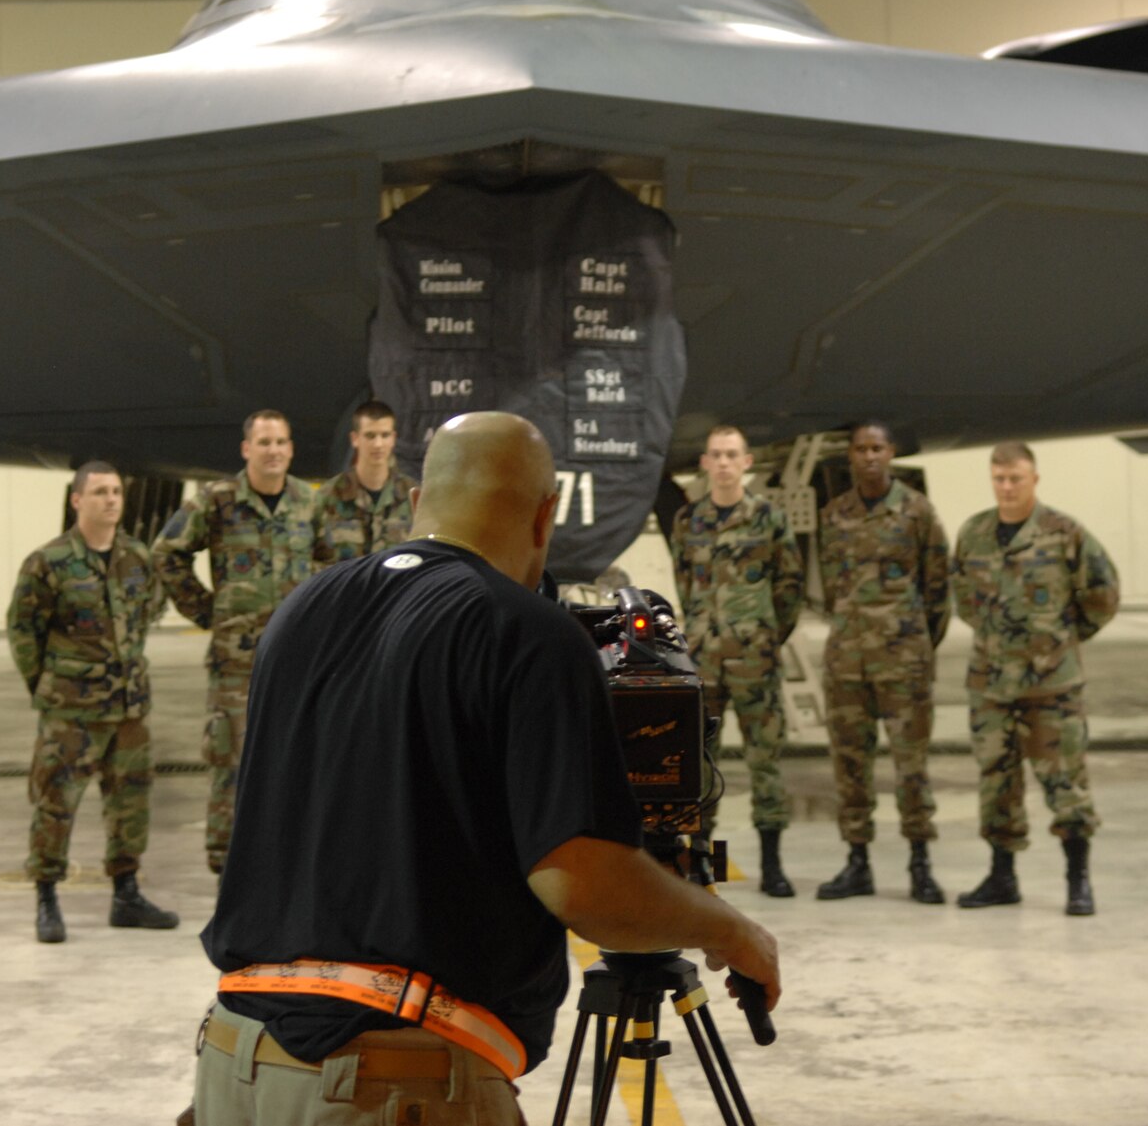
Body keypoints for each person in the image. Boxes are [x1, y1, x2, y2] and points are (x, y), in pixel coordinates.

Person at [194, 412, 781, 1126]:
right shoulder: (527, 632)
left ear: (416, 502)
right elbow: (586, 887)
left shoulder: (300, 611)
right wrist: (728, 927)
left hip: (235, 1063)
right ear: (545, 517)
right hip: (388, 1080)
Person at [153, 410, 332, 875]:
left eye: (281, 442)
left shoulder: (307, 503)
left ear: (291, 449)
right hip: (236, 663)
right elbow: (166, 555)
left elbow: (331, 565)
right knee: (231, 768)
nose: (274, 450)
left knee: (295, 766)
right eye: (264, 442)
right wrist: (206, 611)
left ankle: (288, 872)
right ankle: (227, 873)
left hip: (295, 662)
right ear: (246, 449)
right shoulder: (218, 500)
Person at [7, 461, 179, 943]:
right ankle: (46, 897)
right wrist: (45, 685)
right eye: (100, 492)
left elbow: (142, 619)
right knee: (55, 803)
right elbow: (23, 630)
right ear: (77, 499)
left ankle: (126, 894)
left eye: (117, 492)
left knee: (130, 804)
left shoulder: (137, 558)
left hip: (128, 710)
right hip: (71, 712)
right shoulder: (49, 561)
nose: (111, 500)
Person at [951, 442, 1119, 916]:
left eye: (1015, 479)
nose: (1006, 488)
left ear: (1034, 480)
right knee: (996, 784)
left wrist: (1062, 639)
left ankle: (1078, 880)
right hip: (990, 685)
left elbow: (1103, 594)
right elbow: (963, 595)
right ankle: (1002, 877)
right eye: (999, 479)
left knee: (1065, 783)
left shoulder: (1064, 533)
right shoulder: (975, 533)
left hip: (1051, 687)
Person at [813, 422, 953, 905]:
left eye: (877, 448)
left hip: (903, 662)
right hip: (847, 662)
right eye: (860, 449)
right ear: (850, 456)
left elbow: (938, 591)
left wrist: (912, 640)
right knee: (850, 765)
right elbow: (833, 588)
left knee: (911, 766)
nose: (869, 456)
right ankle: (857, 863)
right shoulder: (834, 515)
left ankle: (920, 862)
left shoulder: (917, 512)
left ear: (891, 453)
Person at [668, 425, 806, 898]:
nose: (724, 463)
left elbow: (789, 588)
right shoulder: (688, 520)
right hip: (703, 661)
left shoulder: (769, 518)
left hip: (755, 660)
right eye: (715, 456)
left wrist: (764, 635)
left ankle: (773, 865)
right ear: (704, 463)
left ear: (747, 463)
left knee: (765, 760)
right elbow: (685, 583)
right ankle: (705, 864)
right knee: (702, 765)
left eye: (732, 455)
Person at [317, 400, 416, 563]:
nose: (378, 444)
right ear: (355, 439)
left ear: (393, 438)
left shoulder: (413, 496)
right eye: (370, 436)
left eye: (384, 435)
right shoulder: (327, 497)